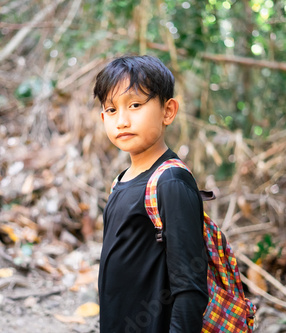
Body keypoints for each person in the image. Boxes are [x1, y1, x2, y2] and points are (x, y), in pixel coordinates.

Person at [94, 55, 208, 333]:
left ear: (167, 111)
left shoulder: (170, 182)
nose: (122, 120)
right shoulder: (120, 181)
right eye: (111, 110)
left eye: (135, 105)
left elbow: (190, 286)